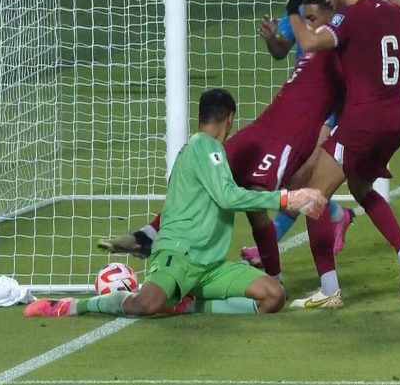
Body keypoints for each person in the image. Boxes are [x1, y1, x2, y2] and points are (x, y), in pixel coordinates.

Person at [99, 0, 345, 282]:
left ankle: (275, 280)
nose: (308, 26)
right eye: (306, 19)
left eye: (313, 19)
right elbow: (285, 52)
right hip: (265, 125)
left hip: (289, 137)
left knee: (254, 201)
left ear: (334, 16)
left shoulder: (343, 51)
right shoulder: (315, 46)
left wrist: (330, 137)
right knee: (206, 169)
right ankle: (148, 235)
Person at [25, 89, 327, 318]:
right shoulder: (204, 149)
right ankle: (71, 306)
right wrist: (289, 197)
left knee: (273, 296)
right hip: (179, 258)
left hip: (210, 266)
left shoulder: (206, 155)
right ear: (230, 119)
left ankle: (187, 304)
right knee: (145, 305)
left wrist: (139, 236)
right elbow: (229, 197)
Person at [283, 0, 400, 308]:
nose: (328, 0)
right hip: (397, 122)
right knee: (361, 188)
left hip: (364, 122)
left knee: (313, 195)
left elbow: (309, 42)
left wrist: (292, 6)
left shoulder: (347, 17)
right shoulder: (391, 12)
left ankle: (329, 290)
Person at [253, 0, 354, 262]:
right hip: (310, 106)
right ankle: (338, 215)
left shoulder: (352, 6)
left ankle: (268, 252)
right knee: (297, 178)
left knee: (306, 178)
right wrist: (273, 37)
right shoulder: (309, 5)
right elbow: (282, 48)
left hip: (339, 107)